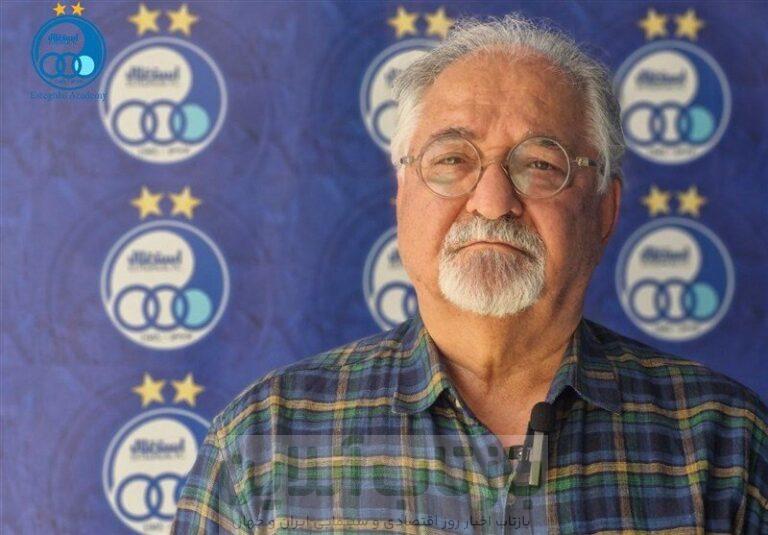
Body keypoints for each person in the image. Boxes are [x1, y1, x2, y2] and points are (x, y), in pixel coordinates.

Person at [172, 14, 767, 534]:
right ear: (402, 197)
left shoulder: (724, 441)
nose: (492, 202)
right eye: (453, 160)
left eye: (540, 164)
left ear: (604, 210)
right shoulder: (264, 443)